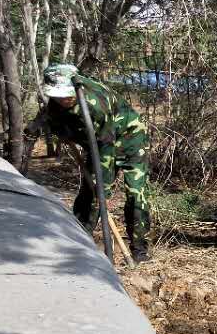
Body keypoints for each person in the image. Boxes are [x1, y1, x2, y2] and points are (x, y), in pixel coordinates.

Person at [37, 63, 152, 262]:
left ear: (75, 87)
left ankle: (139, 251)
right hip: (99, 141)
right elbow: (53, 123)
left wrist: (103, 189)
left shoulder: (95, 106)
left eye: (66, 94)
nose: (63, 100)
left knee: (135, 193)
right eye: (58, 96)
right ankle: (79, 243)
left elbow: (105, 149)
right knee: (89, 194)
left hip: (130, 138)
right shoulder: (55, 104)